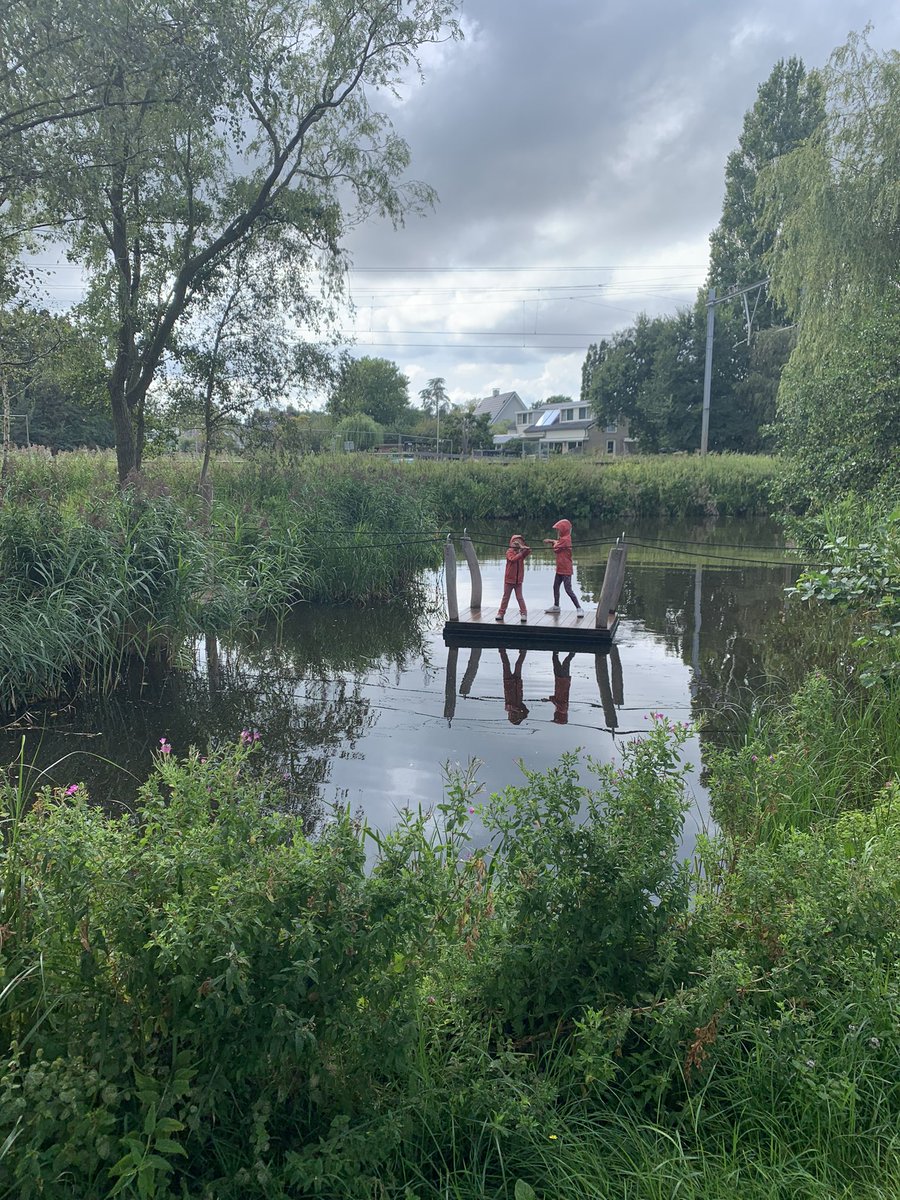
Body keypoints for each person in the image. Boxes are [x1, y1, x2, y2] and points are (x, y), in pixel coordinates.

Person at [543, 519, 584, 616]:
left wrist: (553, 543)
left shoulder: (566, 540)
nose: (557, 532)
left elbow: (556, 549)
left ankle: (579, 608)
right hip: (560, 569)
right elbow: (557, 543)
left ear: (563, 530)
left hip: (566, 570)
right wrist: (552, 541)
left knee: (568, 589)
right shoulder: (563, 539)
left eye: (559, 530)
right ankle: (556, 606)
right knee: (555, 587)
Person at [495, 533, 531, 622]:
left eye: (519, 542)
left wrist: (523, 547)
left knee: (520, 597)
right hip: (509, 580)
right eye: (515, 542)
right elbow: (513, 559)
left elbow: (529, 550)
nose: (517, 544)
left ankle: (524, 613)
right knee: (506, 597)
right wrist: (521, 552)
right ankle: (501, 613)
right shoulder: (509, 552)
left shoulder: (522, 552)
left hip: (518, 580)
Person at [499, 648, 528, 724]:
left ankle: (502, 649)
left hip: (508, 683)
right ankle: (523, 650)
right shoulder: (519, 707)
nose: (511, 715)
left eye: (510, 717)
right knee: (518, 665)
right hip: (517, 684)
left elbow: (510, 706)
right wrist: (523, 715)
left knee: (506, 664)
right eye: (512, 717)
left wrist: (518, 712)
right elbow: (526, 711)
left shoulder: (508, 708)